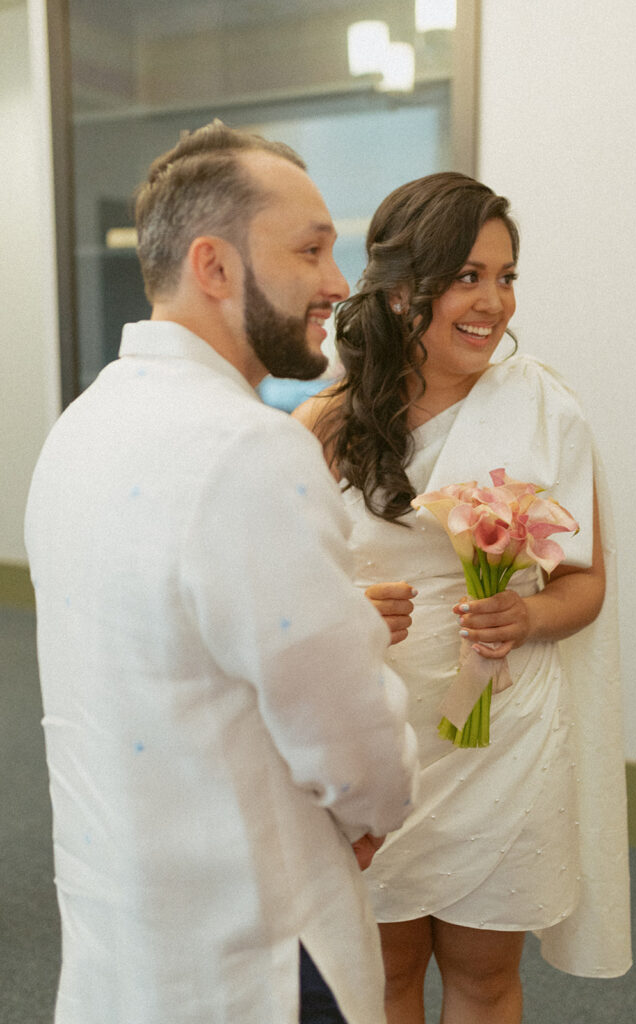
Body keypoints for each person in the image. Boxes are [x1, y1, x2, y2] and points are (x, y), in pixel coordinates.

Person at [24, 121, 420, 1024]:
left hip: (123, 930)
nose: (336, 282)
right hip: (258, 950)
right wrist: (374, 808)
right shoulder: (249, 448)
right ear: (214, 265)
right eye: (310, 250)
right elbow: (351, 740)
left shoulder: (78, 430)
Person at [293, 172, 632, 1023]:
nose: (493, 302)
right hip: (379, 728)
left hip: (501, 736)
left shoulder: (545, 409)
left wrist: (528, 614)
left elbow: (583, 585)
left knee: (484, 978)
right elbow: (278, 593)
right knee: (387, 977)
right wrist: (345, 613)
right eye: (467, 276)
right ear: (402, 287)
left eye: (506, 276)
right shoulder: (326, 424)